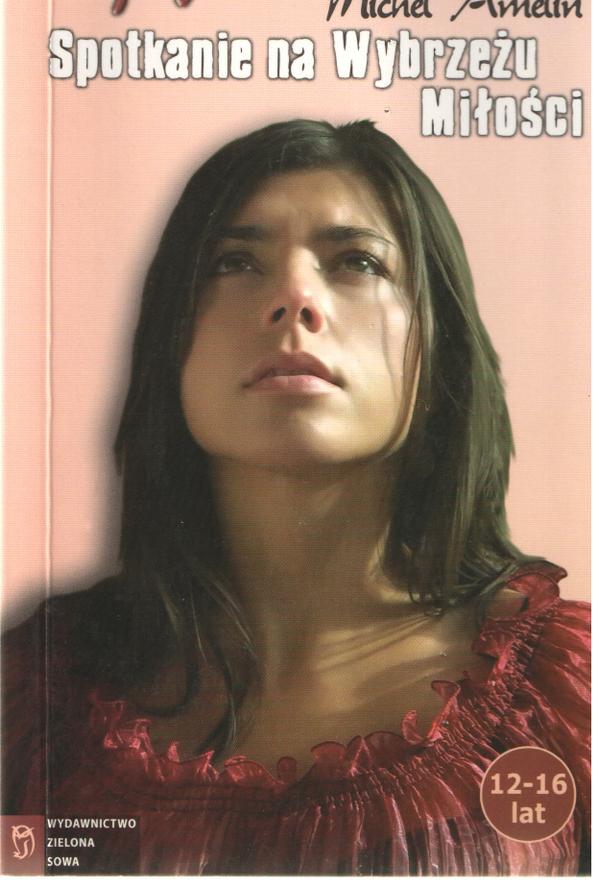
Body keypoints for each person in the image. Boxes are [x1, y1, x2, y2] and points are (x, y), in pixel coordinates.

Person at [2, 120, 590, 875]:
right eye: (234, 262)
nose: (293, 298)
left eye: (357, 262)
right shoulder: (29, 700)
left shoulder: (573, 697)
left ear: (437, 347)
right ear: (169, 343)